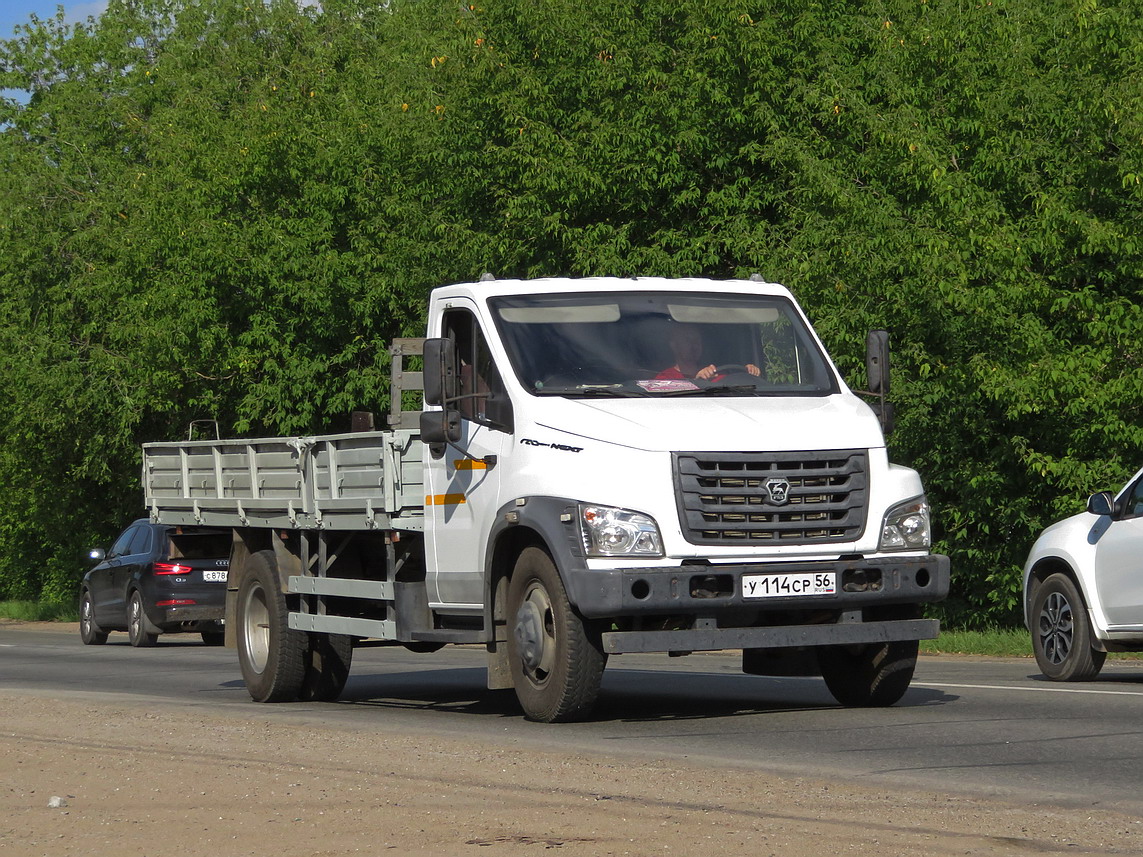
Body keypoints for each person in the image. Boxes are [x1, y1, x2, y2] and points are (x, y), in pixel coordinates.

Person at [656, 324, 760, 381]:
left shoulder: (715, 374)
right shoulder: (664, 379)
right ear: (674, 345)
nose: (694, 345)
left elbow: (735, 388)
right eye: (688, 340)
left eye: (697, 340)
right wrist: (699, 382)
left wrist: (749, 374)